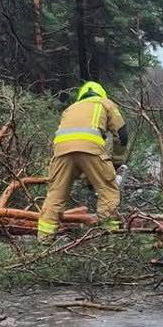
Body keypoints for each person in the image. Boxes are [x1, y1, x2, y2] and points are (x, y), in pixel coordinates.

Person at [35, 81, 131, 239]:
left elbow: (73, 143)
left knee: (55, 195)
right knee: (108, 191)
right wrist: (116, 161)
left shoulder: (70, 109)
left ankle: (44, 240)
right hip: (90, 149)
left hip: (61, 152)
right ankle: (111, 238)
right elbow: (121, 135)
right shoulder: (105, 103)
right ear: (101, 94)